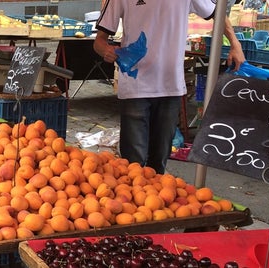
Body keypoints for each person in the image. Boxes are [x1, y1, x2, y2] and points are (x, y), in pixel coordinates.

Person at [93, 0, 246, 174]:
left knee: (158, 162)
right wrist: (106, 49)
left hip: (170, 86)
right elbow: (99, 41)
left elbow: (216, 13)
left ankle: (153, 198)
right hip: (135, 87)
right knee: (133, 165)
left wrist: (235, 43)